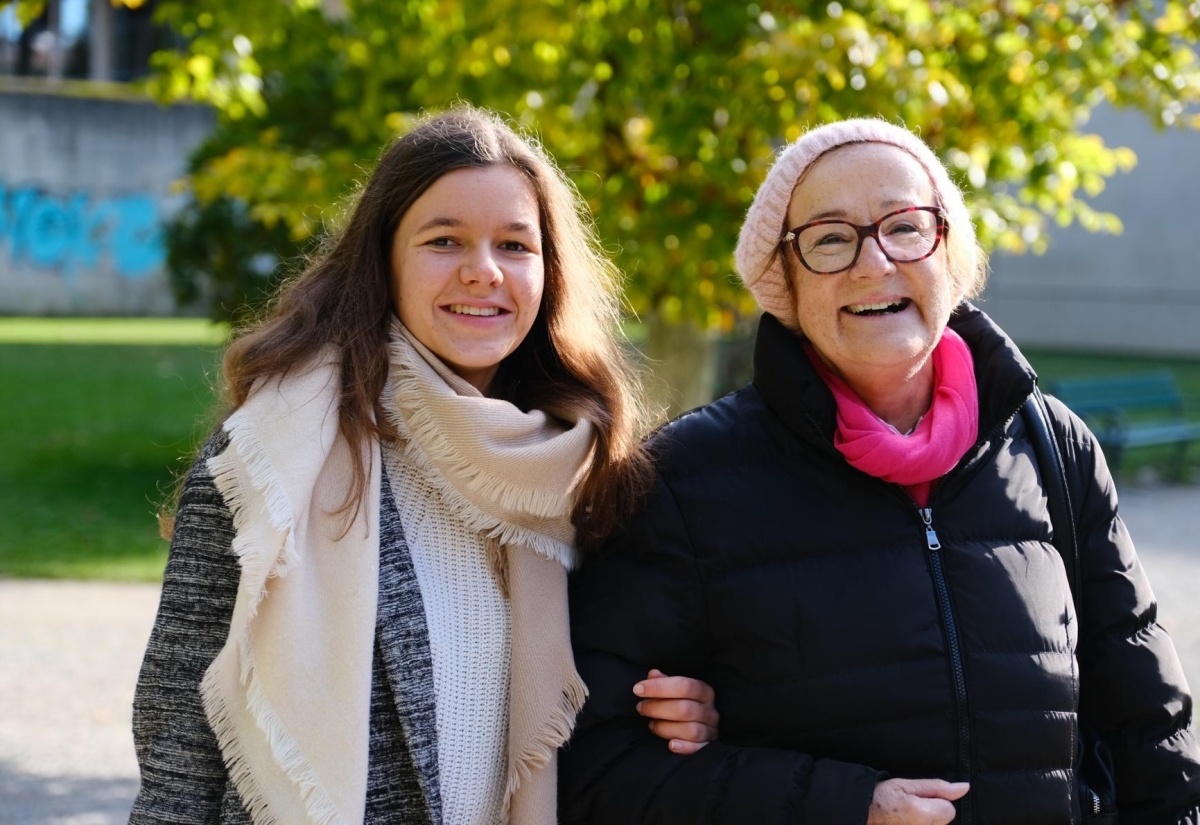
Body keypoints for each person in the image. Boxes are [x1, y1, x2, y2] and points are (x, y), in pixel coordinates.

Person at [560, 118, 1200, 824]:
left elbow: (1154, 737)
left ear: (950, 256)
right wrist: (844, 803)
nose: (875, 264)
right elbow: (598, 772)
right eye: (830, 239)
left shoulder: (1053, 448)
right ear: (785, 283)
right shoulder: (681, 479)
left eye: (906, 226)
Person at [129, 106, 718, 825]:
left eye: (514, 244)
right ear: (384, 261)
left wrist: (689, 704)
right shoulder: (273, 454)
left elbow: (622, 696)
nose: (483, 271)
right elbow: (178, 739)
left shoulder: (582, 468)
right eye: (445, 240)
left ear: (548, 269)